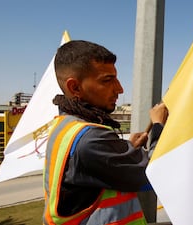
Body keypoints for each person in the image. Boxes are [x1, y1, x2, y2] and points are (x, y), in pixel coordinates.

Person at [43, 40, 168, 225]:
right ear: (75, 87)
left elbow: (91, 165)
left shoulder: (65, 126)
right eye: (107, 80)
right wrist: (158, 125)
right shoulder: (89, 139)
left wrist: (127, 148)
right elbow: (155, 173)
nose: (119, 89)